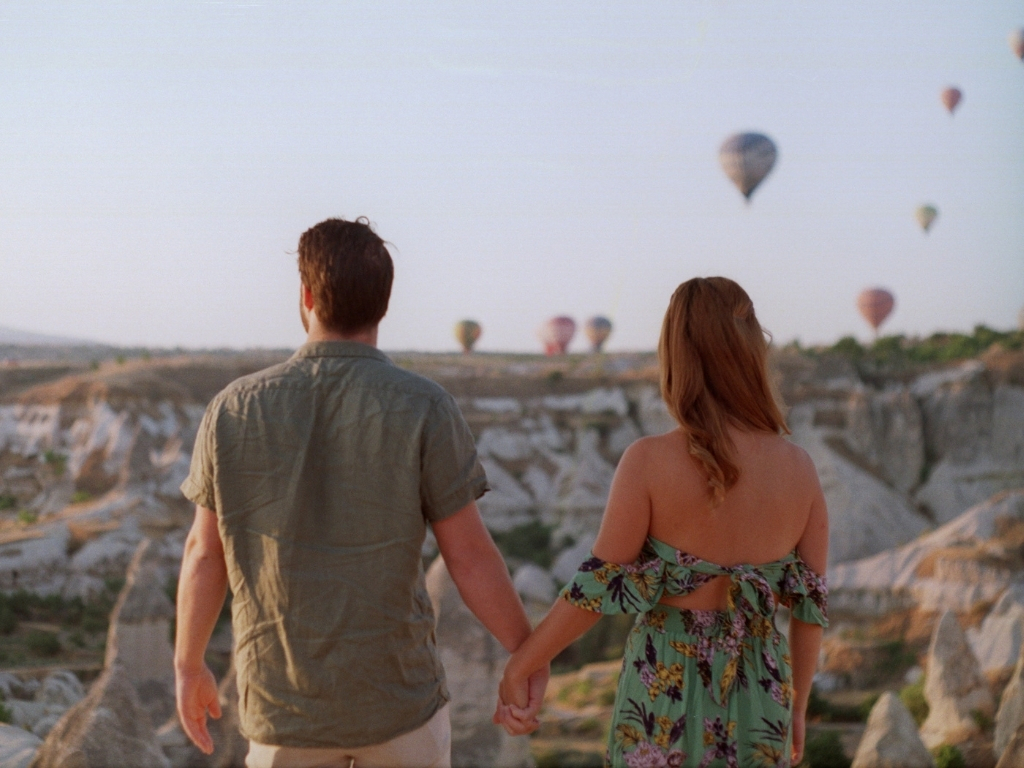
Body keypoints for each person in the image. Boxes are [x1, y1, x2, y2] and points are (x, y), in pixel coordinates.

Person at [174, 217, 546, 768]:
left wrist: (188, 664)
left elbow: (206, 553)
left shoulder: (233, 408)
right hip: (398, 704)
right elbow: (468, 555)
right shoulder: (425, 405)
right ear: (384, 305)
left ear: (305, 297)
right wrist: (526, 653)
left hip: (284, 706)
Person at [496, 277, 829, 767]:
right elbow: (810, 604)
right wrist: (797, 705)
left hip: (664, 681)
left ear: (676, 354)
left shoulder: (648, 461)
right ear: (753, 348)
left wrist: (523, 663)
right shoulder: (800, 467)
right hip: (763, 688)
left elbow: (598, 588)